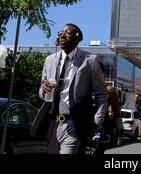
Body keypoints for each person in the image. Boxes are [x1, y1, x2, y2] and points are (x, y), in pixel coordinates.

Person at [31, 23, 108, 154]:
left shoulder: (89, 60)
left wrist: (96, 122)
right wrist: (43, 90)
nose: (62, 35)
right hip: (52, 123)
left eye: (67, 33)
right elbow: (41, 93)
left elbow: (101, 94)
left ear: (77, 38)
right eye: (60, 33)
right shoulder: (49, 60)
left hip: (75, 123)